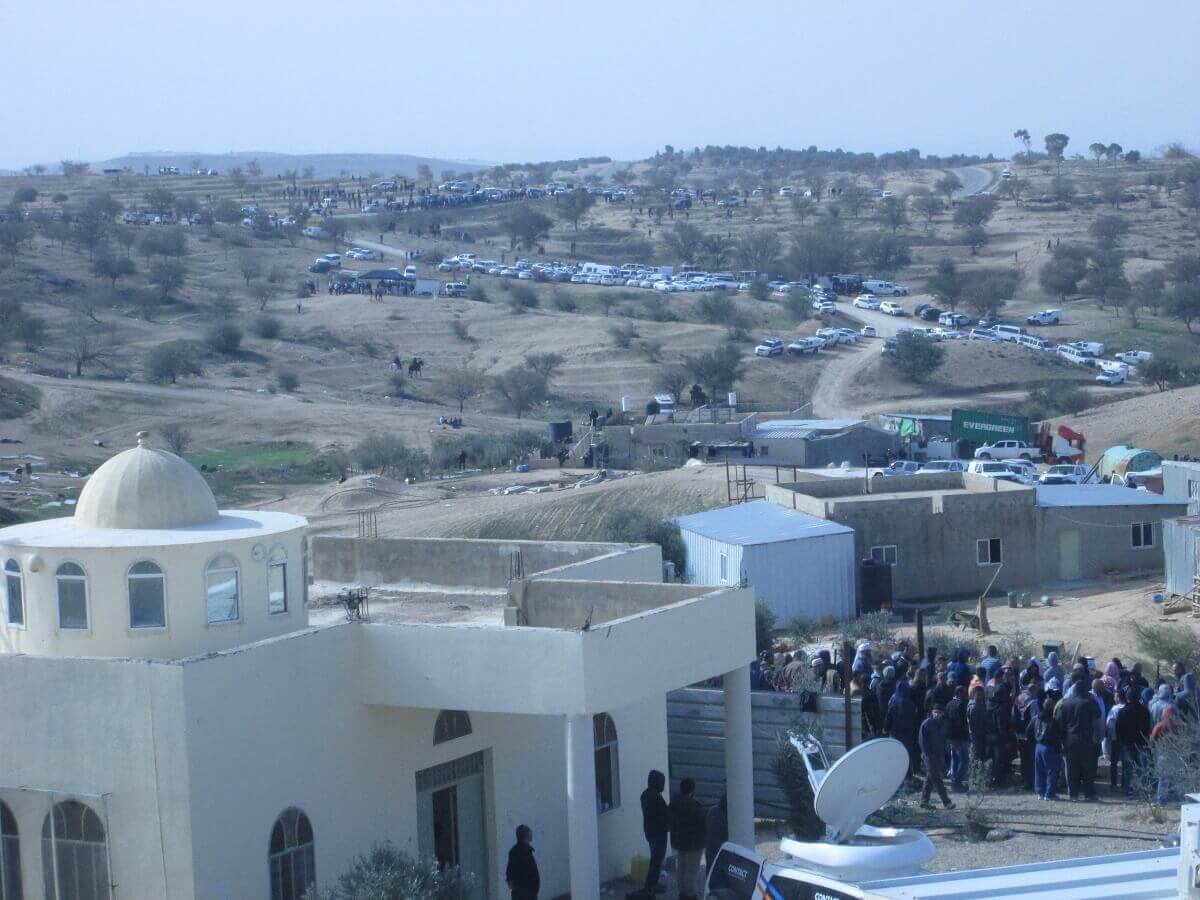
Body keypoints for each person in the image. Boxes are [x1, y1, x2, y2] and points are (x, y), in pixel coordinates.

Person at [1058, 674, 1100, 801]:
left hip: (1070, 739)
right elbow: (1098, 715)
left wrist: (1062, 739)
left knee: (1071, 768)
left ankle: (1073, 794)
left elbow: (1060, 721)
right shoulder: (1089, 702)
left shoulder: (1065, 703)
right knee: (1087, 768)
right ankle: (1089, 794)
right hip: (1086, 739)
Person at [670, 778, 706, 900]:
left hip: (679, 842)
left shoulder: (674, 802)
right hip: (694, 844)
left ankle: (682, 894)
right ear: (692, 790)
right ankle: (691, 895)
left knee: (681, 869)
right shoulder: (695, 805)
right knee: (691, 872)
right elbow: (703, 823)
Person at [1116, 685, 1152, 798]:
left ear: (1127, 698)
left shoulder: (1123, 711)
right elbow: (1148, 727)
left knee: (1128, 769)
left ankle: (1128, 791)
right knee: (1142, 769)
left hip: (1127, 743)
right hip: (1141, 743)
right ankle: (1144, 792)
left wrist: (1121, 741)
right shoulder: (1145, 711)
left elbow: (1118, 728)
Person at [918, 704, 956, 809]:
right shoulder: (927, 724)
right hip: (929, 755)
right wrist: (926, 754)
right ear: (932, 712)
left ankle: (924, 801)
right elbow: (922, 740)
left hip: (938, 754)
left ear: (942, 714)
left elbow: (943, 740)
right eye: (935, 712)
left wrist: (943, 753)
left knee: (930, 778)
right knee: (936, 778)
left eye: (939, 713)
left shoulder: (942, 724)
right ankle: (946, 802)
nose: (937, 714)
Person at [639, 771, 669, 896]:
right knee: (656, 861)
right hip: (657, 833)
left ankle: (652, 885)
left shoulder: (646, 794)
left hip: (651, 832)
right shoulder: (655, 797)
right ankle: (650, 887)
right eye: (662, 782)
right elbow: (662, 816)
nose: (663, 785)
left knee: (656, 860)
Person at [1032, 694, 1064, 800]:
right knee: (1052, 770)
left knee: (1039, 770)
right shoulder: (1053, 720)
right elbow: (1059, 733)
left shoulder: (1036, 718)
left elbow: (1028, 731)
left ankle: (1040, 792)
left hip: (1038, 746)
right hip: (1048, 747)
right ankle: (1050, 794)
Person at [885, 679, 919, 777]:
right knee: (906, 755)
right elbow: (914, 716)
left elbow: (889, 717)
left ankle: (894, 775)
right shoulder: (910, 703)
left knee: (894, 755)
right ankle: (908, 776)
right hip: (907, 733)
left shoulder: (893, 702)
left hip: (895, 733)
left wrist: (886, 728)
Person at [945, 685, 970, 789]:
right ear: (959, 693)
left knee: (954, 758)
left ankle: (953, 780)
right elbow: (962, 722)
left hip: (951, 736)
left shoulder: (949, 704)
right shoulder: (960, 705)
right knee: (964, 759)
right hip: (960, 736)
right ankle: (958, 781)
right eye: (963, 693)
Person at [506, 825, 539, 900]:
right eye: (530, 832)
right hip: (527, 893)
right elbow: (531, 872)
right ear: (526, 835)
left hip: (519, 892)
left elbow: (509, 871)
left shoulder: (514, 851)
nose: (532, 834)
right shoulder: (526, 852)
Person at [704, 793, 728, 876]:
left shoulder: (712, 810)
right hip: (722, 845)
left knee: (710, 867)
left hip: (710, 844)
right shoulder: (727, 815)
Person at [967, 684, 989, 767]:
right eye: (978, 694)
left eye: (981, 694)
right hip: (975, 734)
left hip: (982, 733)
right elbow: (971, 723)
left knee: (981, 755)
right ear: (974, 694)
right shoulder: (973, 707)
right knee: (975, 754)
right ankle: (974, 773)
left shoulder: (982, 705)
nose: (980, 696)